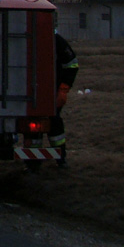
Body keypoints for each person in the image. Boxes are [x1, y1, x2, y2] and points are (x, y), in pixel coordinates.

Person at [51, 32, 79, 168]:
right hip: (29, 93)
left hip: (52, 92)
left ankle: (60, 159)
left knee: (54, 122)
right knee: (32, 130)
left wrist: (63, 89)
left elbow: (72, 64)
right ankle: (32, 164)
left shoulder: (56, 41)